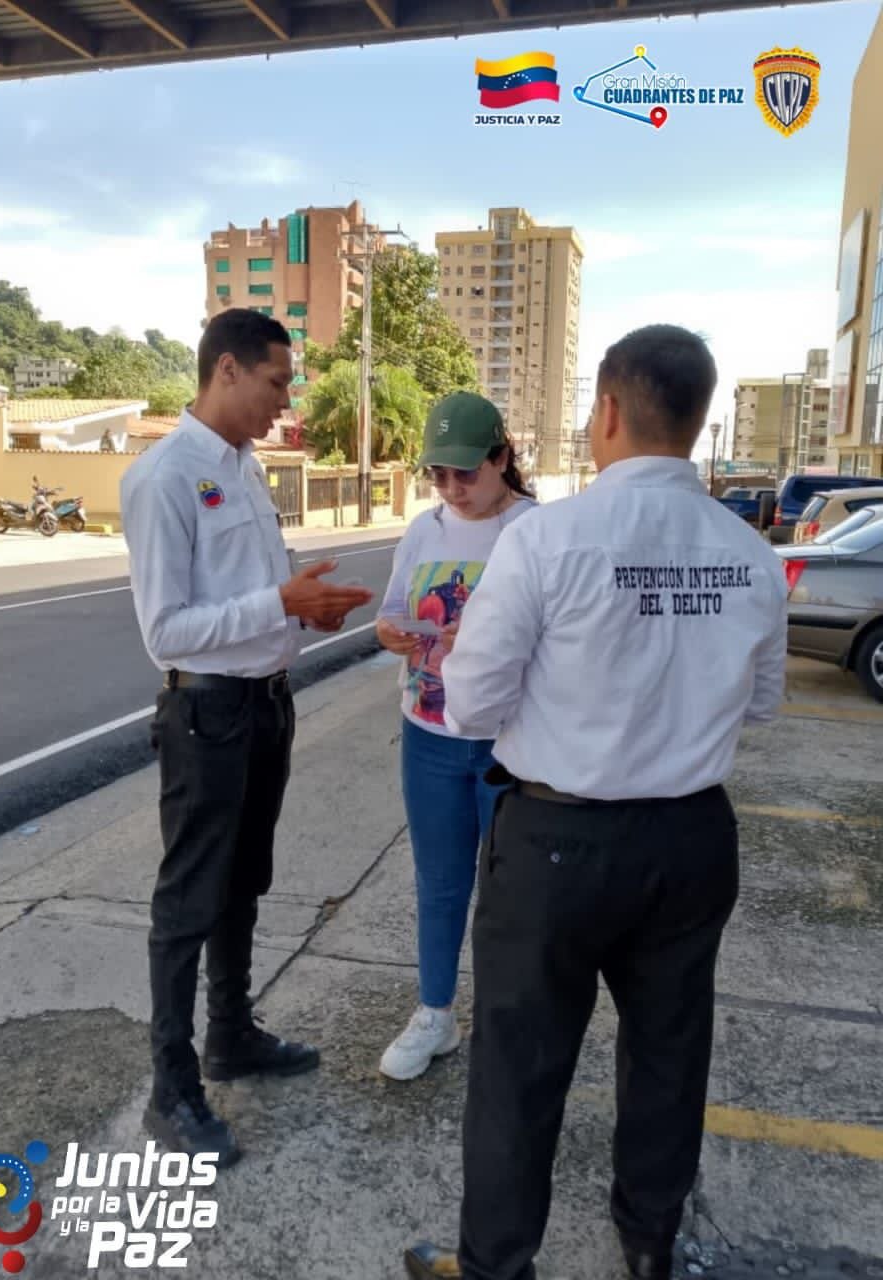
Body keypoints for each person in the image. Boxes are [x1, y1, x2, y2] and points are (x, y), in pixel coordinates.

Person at [405, 326, 787, 1280]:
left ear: (609, 411)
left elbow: (474, 703)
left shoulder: (545, 539)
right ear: (696, 419)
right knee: (668, 1053)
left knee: (519, 1066)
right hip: (691, 839)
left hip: (558, 842)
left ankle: (498, 1263)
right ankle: (650, 1243)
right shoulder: (749, 553)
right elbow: (763, 703)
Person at [121, 308, 372, 1169]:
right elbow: (167, 631)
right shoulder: (164, 477)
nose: (284, 401)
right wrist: (278, 604)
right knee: (189, 899)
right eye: (276, 382)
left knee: (244, 883)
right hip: (208, 717)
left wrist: (305, 611)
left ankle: (230, 1035)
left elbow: (253, 595)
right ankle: (172, 1087)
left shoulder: (244, 467)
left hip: (265, 706)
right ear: (226, 370)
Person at [375, 392, 536, 1081]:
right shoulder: (423, 531)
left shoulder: (534, 531)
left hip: (512, 743)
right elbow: (390, 613)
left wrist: (488, 637)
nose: (451, 488)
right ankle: (435, 1014)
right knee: (440, 884)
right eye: (437, 474)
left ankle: (508, 1022)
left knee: (513, 894)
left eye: (465, 472)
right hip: (429, 735)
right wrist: (394, 635)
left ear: (501, 458)